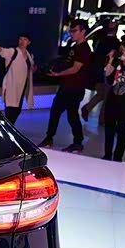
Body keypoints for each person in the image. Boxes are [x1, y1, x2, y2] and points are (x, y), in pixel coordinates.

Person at [39, 19, 92, 153]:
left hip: (74, 87)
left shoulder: (84, 49)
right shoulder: (75, 47)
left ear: (83, 32)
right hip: (68, 85)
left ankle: (56, 139)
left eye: (75, 31)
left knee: (64, 112)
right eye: (71, 30)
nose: (72, 33)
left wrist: (57, 74)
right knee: (67, 113)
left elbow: (75, 68)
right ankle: (74, 141)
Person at [81, 19, 120, 122]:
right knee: (107, 96)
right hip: (107, 72)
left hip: (97, 71)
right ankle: (102, 119)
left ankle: (87, 108)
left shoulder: (100, 41)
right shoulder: (115, 43)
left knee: (102, 93)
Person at [0, 33, 35, 124]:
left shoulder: (29, 56)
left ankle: (10, 126)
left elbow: (29, 68)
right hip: (11, 85)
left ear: (29, 42)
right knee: (10, 109)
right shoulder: (13, 52)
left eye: (24, 40)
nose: (22, 41)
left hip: (22, 87)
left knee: (17, 109)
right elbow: (4, 52)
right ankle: (8, 128)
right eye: (20, 39)